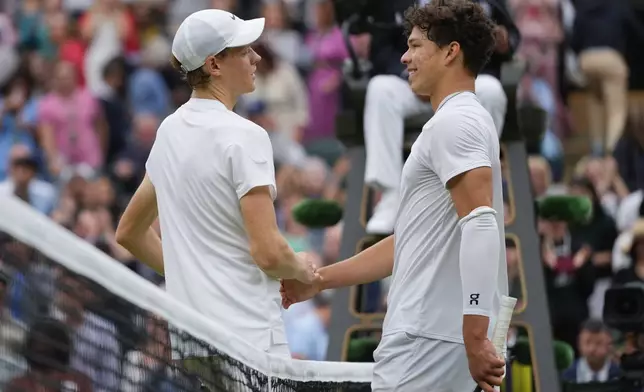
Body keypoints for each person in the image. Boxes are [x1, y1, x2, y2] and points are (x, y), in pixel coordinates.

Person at [281, 1, 507, 391]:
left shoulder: (456, 121)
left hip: (427, 340)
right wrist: (320, 281)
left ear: (451, 52)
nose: (404, 56)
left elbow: (482, 225)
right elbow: (408, 245)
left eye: (417, 45)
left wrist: (474, 335)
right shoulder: (463, 119)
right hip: (435, 337)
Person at [115, 9, 317, 365]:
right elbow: (269, 252)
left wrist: (193, 276)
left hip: (195, 346)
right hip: (252, 345)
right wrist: (302, 268)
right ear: (214, 65)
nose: (255, 57)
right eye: (243, 50)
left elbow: (129, 231)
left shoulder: (169, 132)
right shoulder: (247, 136)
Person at [362, 0, 519, 235]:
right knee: (379, 89)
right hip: (411, 85)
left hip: (466, 85)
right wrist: (417, 77)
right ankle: (391, 196)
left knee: (493, 92)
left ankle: (475, 187)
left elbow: (512, 37)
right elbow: (381, 52)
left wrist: (505, 42)